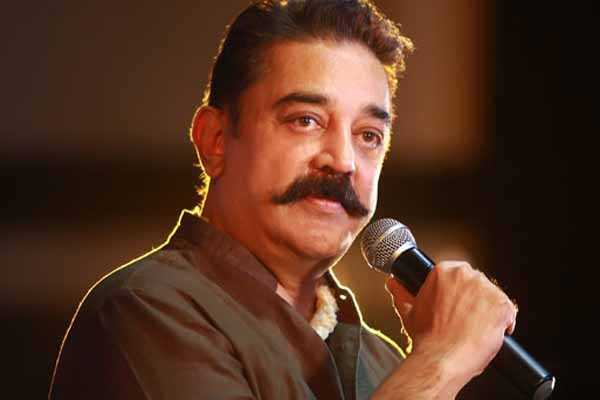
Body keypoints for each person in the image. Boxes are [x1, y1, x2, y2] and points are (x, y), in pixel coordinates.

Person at [49, 1, 518, 399]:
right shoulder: (145, 311)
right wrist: (439, 362)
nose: (343, 160)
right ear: (215, 140)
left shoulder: (382, 362)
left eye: (368, 135)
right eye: (305, 120)